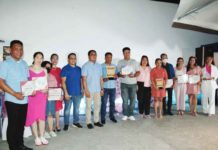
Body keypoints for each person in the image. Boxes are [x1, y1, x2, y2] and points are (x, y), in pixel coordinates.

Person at [0, 40, 33, 150]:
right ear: (10, 50)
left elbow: (27, 80)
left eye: (21, 49)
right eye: (16, 48)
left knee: (21, 124)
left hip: (24, 99)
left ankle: (20, 145)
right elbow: (1, 82)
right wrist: (14, 93)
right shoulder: (5, 64)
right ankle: (13, 147)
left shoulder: (24, 63)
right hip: (11, 99)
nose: (19, 51)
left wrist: (31, 90)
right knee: (13, 125)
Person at [25, 52, 49, 146]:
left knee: (42, 117)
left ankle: (42, 136)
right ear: (34, 58)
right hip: (32, 96)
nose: (39, 59)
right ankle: (36, 138)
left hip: (41, 96)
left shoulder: (44, 70)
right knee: (33, 117)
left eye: (41, 58)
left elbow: (46, 85)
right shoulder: (28, 69)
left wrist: (46, 90)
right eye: (37, 57)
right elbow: (25, 83)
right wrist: (30, 89)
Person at [82, 50, 104, 129]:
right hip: (89, 90)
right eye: (92, 54)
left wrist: (102, 89)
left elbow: (101, 78)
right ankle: (88, 122)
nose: (94, 56)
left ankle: (96, 121)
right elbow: (84, 79)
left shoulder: (99, 66)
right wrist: (86, 90)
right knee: (88, 106)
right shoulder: (85, 66)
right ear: (89, 56)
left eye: (95, 54)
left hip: (98, 90)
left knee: (97, 106)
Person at [117, 47, 140, 121]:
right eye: (125, 52)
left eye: (128, 52)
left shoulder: (134, 61)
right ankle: (125, 114)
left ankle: (131, 114)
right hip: (124, 83)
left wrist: (134, 75)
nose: (127, 54)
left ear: (130, 53)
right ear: (123, 53)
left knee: (133, 100)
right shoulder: (120, 62)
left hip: (133, 83)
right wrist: (121, 75)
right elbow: (117, 73)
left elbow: (138, 72)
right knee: (125, 100)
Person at [61, 53, 83, 131]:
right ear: (68, 59)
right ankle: (66, 123)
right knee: (67, 110)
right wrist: (65, 93)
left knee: (77, 109)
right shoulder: (65, 69)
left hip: (78, 93)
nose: (73, 60)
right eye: (71, 58)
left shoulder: (79, 69)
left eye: (74, 58)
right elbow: (63, 82)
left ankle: (75, 122)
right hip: (68, 93)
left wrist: (82, 90)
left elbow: (81, 80)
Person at [41, 61, 57, 138]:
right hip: (41, 98)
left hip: (51, 98)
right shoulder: (39, 77)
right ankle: (43, 132)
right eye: (46, 66)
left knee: (50, 115)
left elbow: (56, 87)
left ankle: (50, 130)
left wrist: (58, 94)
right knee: (42, 116)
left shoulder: (52, 76)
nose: (47, 68)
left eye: (49, 67)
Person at [101, 52, 118, 124]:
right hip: (104, 87)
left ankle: (112, 116)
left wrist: (116, 76)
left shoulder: (114, 66)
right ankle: (102, 118)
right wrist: (103, 79)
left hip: (113, 87)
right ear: (105, 58)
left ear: (111, 58)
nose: (109, 58)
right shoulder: (101, 66)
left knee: (112, 103)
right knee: (104, 103)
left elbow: (117, 75)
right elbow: (99, 77)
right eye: (107, 57)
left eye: (110, 57)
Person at [50, 54, 62, 132]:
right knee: (51, 109)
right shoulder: (47, 68)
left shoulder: (59, 69)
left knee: (57, 109)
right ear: (51, 60)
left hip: (57, 91)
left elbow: (61, 82)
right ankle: (52, 126)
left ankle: (57, 125)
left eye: (56, 59)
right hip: (50, 91)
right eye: (53, 58)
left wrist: (61, 92)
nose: (55, 60)